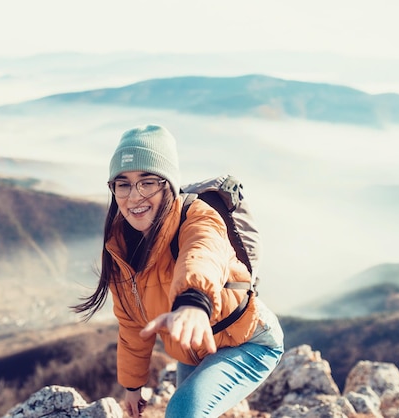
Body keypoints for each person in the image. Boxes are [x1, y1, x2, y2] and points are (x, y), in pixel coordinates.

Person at [72, 124, 284, 418]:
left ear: (168, 185)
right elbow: (133, 326)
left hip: (248, 339)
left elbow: (202, 254)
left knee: (183, 412)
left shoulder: (198, 217)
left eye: (147, 182)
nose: (134, 196)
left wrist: (194, 301)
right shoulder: (120, 248)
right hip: (196, 343)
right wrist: (133, 386)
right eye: (123, 184)